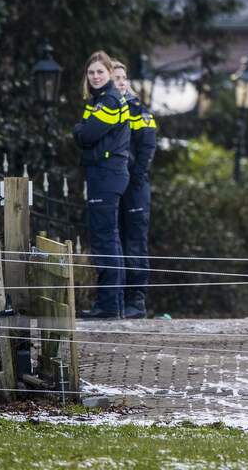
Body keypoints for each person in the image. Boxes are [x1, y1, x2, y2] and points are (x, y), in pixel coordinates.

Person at [74, 51, 131, 319]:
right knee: (109, 239)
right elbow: (85, 130)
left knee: (105, 240)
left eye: (100, 72)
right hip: (104, 174)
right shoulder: (97, 100)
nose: (95, 76)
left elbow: (85, 134)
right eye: (91, 72)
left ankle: (108, 306)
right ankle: (113, 304)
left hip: (108, 174)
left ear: (109, 73)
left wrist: (80, 132)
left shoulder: (108, 101)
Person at [111, 61, 157, 320]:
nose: (120, 82)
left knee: (135, 242)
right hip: (114, 184)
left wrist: (136, 178)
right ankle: (115, 298)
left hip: (134, 186)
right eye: (115, 77)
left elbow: (148, 146)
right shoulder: (105, 107)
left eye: (123, 77)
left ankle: (135, 300)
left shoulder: (139, 111)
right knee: (114, 241)